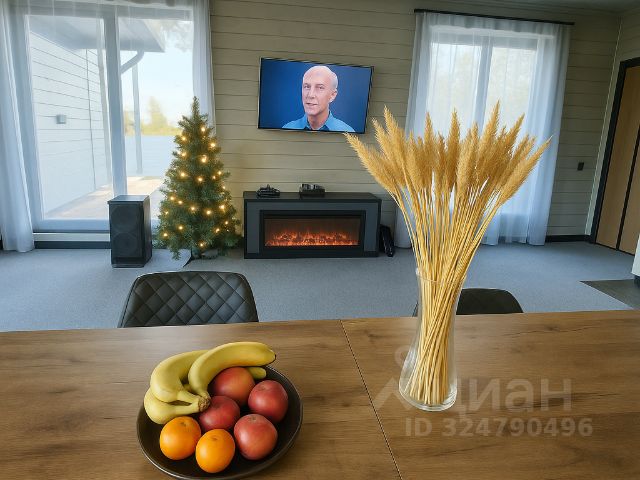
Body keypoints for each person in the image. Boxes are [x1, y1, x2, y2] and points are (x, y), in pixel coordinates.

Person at [283, 65, 355, 132]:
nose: (310, 95)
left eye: (320, 88)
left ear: (332, 95)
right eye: (307, 87)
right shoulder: (287, 129)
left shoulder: (347, 134)